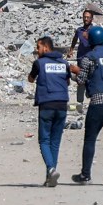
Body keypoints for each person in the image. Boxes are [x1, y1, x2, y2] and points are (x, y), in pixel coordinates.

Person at [72, 26, 103, 186]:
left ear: (91, 41)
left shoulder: (89, 58)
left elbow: (81, 80)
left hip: (98, 103)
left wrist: (74, 71)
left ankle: (85, 175)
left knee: (90, 139)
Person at [28, 36, 76, 187]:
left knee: (44, 140)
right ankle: (50, 177)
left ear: (46, 47)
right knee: (55, 142)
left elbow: (30, 79)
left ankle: (50, 169)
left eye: (38, 47)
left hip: (47, 103)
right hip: (62, 104)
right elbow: (67, 81)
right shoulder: (64, 63)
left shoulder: (39, 63)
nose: (37, 50)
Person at [66, 9, 94, 112]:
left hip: (91, 60)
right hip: (81, 59)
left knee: (91, 80)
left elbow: (98, 44)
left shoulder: (94, 31)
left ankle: (92, 100)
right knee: (80, 80)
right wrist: (71, 50)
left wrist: (89, 38)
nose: (86, 19)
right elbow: (74, 39)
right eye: (84, 17)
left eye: (88, 17)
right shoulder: (79, 30)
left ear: (91, 19)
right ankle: (80, 103)